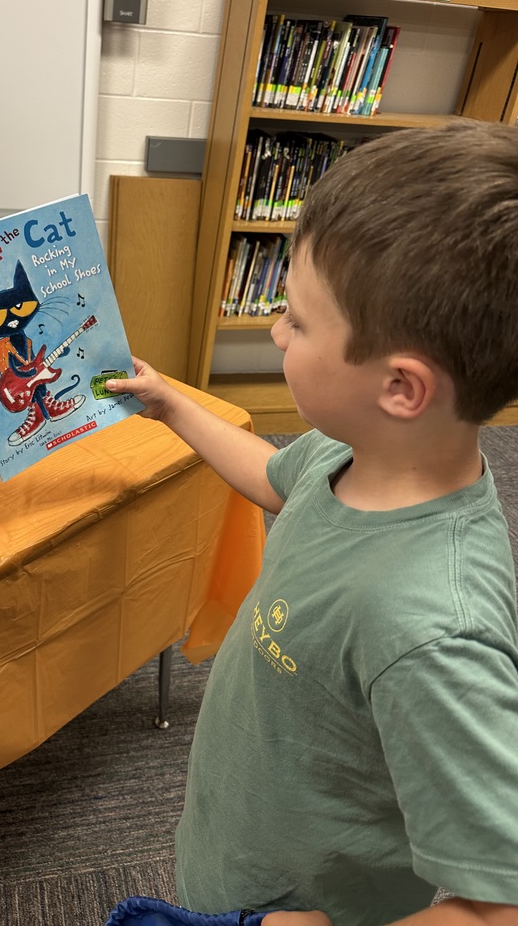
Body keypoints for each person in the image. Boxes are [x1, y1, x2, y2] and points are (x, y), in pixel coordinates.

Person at [106, 119, 518, 926]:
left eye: (296, 319)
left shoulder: (431, 630)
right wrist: (173, 406)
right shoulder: (354, 453)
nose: (274, 330)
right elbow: (272, 477)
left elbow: (497, 902)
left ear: (402, 388)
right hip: (241, 848)